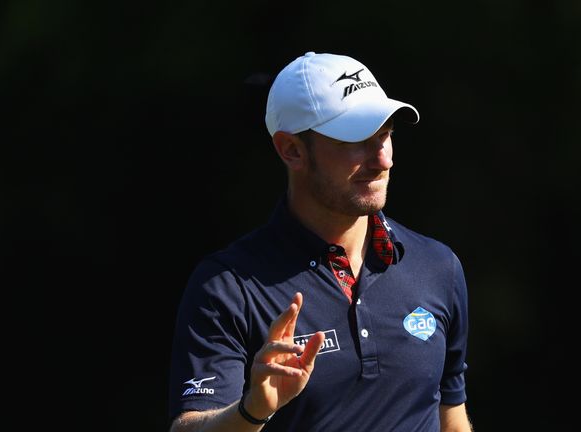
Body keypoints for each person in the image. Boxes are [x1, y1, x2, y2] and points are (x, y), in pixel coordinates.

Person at [168, 51, 473, 432]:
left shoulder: (438, 266)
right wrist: (251, 411)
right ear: (291, 150)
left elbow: (451, 416)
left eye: (385, 135)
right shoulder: (228, 286)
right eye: (357, 139)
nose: (382, 159)